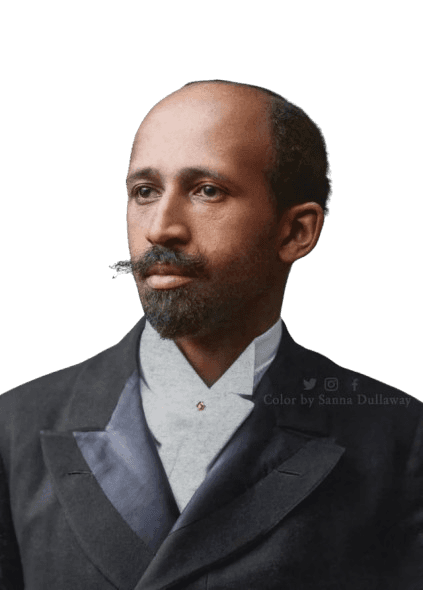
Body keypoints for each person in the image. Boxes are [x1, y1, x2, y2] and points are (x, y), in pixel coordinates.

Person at [0, 80, 421, 590]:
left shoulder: (398, 440)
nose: (161, 228)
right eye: (144, 192)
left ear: (296, 232)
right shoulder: (15, 426)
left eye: (206, 190)